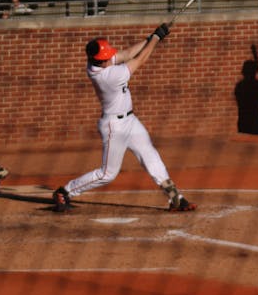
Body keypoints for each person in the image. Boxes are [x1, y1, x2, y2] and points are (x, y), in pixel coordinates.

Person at [52, 30, 197, 213]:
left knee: (150, 155)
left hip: (130, 120)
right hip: (115, 127)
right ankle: (65, 191)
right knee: (107, 174)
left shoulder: (97, 63)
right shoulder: (108, 76)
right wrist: (156, 40)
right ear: (100, 60)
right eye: (107, 57)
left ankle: (175, 197)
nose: (111, 57)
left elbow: (128, 53)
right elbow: (140, 60)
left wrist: (151, 38)